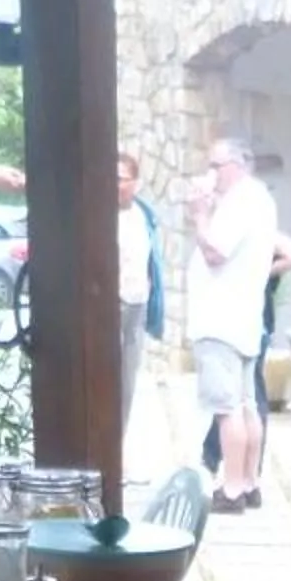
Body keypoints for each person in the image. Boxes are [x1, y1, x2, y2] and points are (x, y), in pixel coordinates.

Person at [185, 138, 278, 513]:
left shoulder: (241, 202)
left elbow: (215, 251)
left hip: (220, 319)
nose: (211, 175)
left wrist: (199, 215)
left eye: (215, 166)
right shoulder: (260, 200)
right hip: (243, 318)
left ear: (237, 165)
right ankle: (250, 481)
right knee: (246, 405)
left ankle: (234, 487)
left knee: (228, 410)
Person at [201, 231, 291, 508]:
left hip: (240, 327)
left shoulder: (253, 233)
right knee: (246, 400)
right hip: (250, 325)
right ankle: (246, 478)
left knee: (238, 402)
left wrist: (262, 272)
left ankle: (235, 479)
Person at [118, 151, 164, 428]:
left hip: (137, 304)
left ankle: (118, 446)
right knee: (105, 379)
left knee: (127, 381)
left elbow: (152, 261)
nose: (114, 184)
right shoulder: (98, 215)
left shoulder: (144, 217)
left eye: (121, 179)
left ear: (135, 183)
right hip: (109, 304)